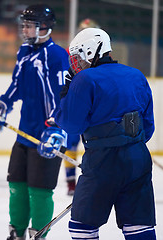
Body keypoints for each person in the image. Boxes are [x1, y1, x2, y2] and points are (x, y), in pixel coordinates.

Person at [55, 28, 156, 239]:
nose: (76, 64)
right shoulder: (137, 75)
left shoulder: (84, 80)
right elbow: (148, 128)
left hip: (102, 162)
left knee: (82, 227)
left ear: (91, 51)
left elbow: (71, 125)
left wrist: (66, 92)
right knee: (139, 226)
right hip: (139, 160)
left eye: (78, 57)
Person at [0, 4, 69, 240]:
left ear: (44, 27)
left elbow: (63, 95)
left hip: (48, 135)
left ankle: (38, 236)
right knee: (17, 187)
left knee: (40, 190)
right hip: (25, 133)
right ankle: (16, 233)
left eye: (29, 25)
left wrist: (56, 128)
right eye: (23, 25)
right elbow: (17, 85)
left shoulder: (57, 55)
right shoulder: (24, 51)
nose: (24, 30)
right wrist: (4, 102)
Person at [63, 18, 101, 196]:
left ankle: (95, 176)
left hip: (94, 106)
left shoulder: (100, 58)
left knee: (95, 142)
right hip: (76, 103)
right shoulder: (70, 53)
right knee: (71, 143)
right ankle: (71, 182)